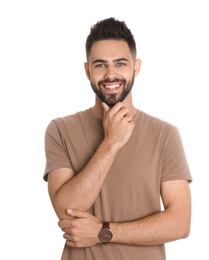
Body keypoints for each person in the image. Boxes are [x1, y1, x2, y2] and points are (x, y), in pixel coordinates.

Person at [43, 17, 192, 260]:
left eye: (120, 63)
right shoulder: (60, 129)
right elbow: (67, 212)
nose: (110, 74)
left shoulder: (165, 134)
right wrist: (111, 143)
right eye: (100, 65)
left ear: (136, 67)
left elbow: (180, 222)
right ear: (87, 70)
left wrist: (104, 232)